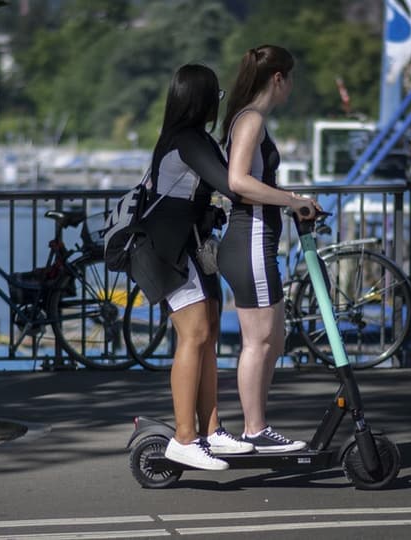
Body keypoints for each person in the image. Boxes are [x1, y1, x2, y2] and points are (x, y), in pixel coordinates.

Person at [130, 64, 254, 470]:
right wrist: (284, 198)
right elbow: (230, 183)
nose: (218, 103)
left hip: (192, 248)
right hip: (167, 252)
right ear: (200, 99)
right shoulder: (185, 140)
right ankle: (185, 437)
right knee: (195, 334)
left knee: (209, 333)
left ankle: (212, 430)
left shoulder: (194, 138)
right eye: (216, 96)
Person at [218, 45, 321, 453]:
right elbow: (239, 181)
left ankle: (257, 426)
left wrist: (289, 196)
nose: (292, 87)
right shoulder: (251, 120)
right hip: (250, 242)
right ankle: (255, 429)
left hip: (259, 243)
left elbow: (254, 181)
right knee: (258, 342)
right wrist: (289, 200)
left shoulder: (250, 118)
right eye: (290, 79)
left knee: (274, 340)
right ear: (278, 78)